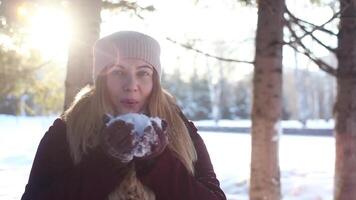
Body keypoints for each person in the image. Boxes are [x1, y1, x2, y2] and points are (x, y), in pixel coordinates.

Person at [21, 31, 226, 200]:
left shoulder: (180, 129)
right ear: (102, 79)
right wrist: (106, 161)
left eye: (143, 73)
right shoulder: (66, 131)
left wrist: (157, 163)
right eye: (118, 72)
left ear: (154, 79)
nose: (131, 86)